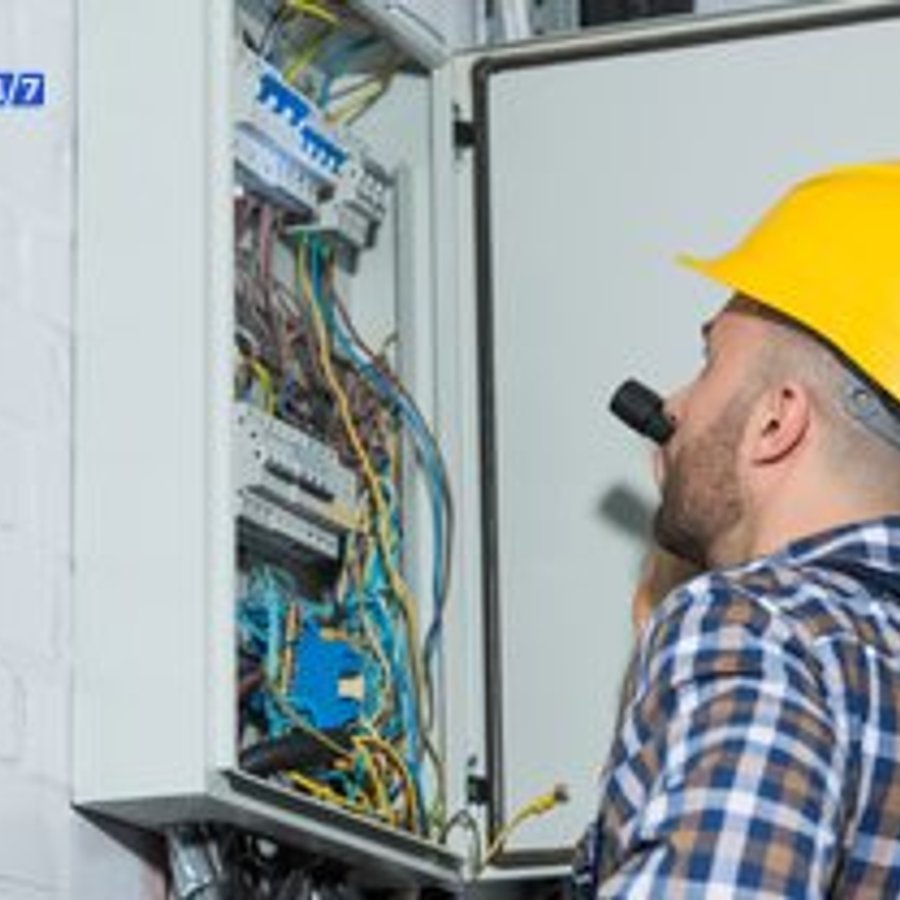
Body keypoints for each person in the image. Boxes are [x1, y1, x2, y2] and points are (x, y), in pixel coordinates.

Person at [573, 161, 900, 896]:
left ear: (778, 420)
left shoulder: (762, 629)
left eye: (709, 360)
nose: (673, 405)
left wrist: (722, 612)